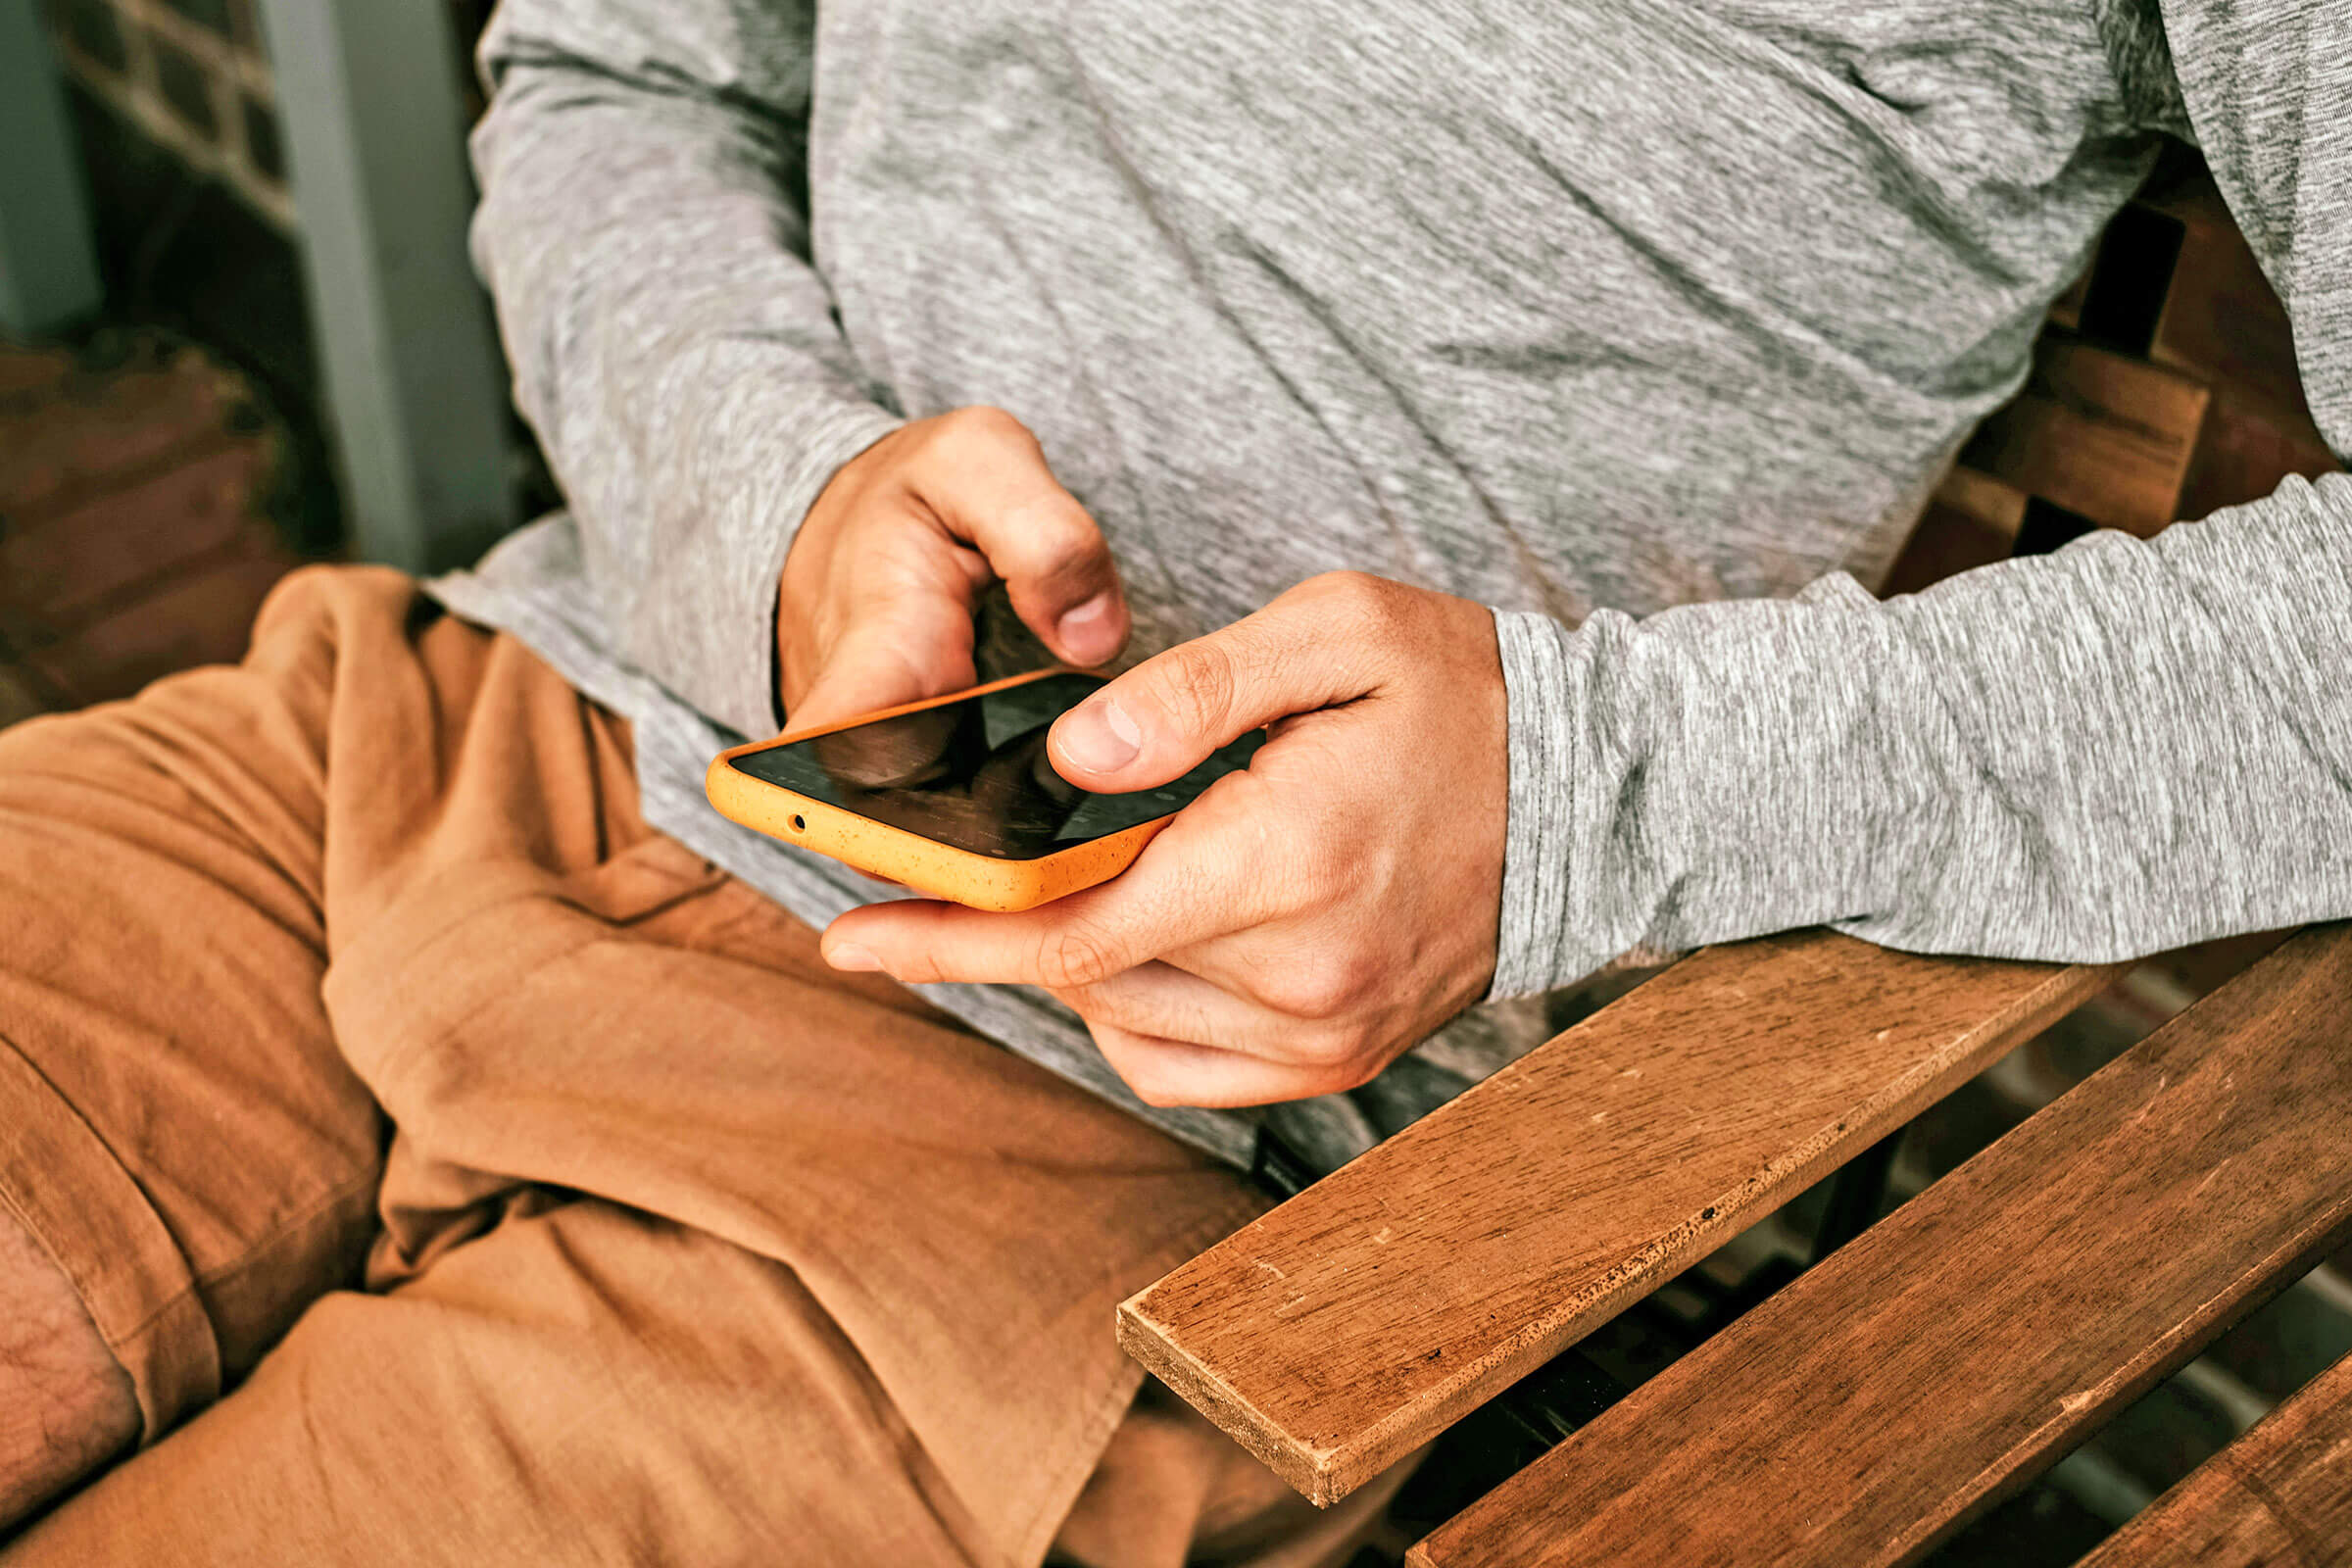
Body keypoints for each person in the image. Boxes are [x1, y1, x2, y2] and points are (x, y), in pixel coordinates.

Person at [2, 0, 2345, 1560]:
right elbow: (617, 68)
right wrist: (790, 510)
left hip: (1100, 1183)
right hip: (431, 742)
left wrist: (1588, 790)